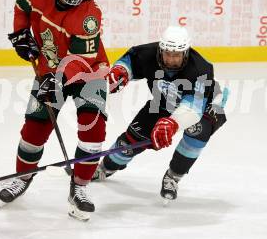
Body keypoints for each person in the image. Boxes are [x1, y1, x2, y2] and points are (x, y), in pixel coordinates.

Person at [0, 0, 109, 221]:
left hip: (89, 75)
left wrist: (56, 81)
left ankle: (79, 189)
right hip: (49, 71)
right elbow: (20, 6)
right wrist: (20, 34)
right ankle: (22, 177)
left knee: (93, 133)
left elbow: (80, 62)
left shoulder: (88, 16)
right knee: (34, 130)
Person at [92, 26, 227, 202]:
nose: (171, 59)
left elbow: (193, 109)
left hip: (206, 107)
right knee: (131, 140)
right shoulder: (148, 54)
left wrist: (173, 124)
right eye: (167, 54)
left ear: (185, 53)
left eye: (176, 55)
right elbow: (130, 61)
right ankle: (105, 168)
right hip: (163, 103)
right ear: (161, 49)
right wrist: (121, 71)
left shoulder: (201, 69)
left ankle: (173, 177)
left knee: (197, 132)